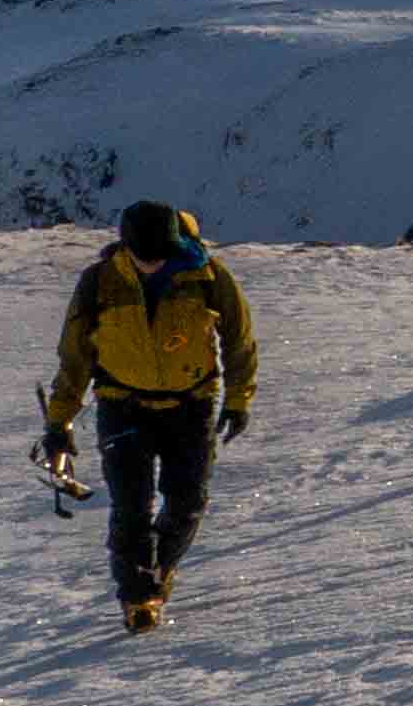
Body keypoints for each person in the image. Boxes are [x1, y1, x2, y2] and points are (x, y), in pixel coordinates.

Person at [39, 197, 256, 629]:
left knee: (187, 501)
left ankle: (161, 566)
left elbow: (239, 339)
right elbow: (76, 358)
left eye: (162, 254)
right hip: (123, 406)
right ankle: (139, 598)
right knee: (131, 507)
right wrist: (59, 422)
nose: (154, 263)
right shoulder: (99, 282)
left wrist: (238, 400)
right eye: (145, 255)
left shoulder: (208, 276)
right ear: (127, 247)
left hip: (191, 404)